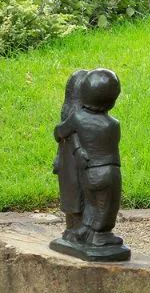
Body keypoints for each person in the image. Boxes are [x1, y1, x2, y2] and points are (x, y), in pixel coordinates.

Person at [54, 69, 124, 247]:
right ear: (113, 100)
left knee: (92, 203)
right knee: (107, 206)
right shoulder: (114, 125)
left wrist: (75, 143)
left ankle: (85, 230)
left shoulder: (76, 117)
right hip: (109, 171)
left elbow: (59, 132)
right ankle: (99, 234)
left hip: (88, 173)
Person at [53, 69, 88, 241]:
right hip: (68, 163)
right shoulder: (71, 113)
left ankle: (81, 229)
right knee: (70, 197)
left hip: (79, 162)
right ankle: (71, 229)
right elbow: (60, 136)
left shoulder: (85, 116)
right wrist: (58, 157)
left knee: (80, 197)